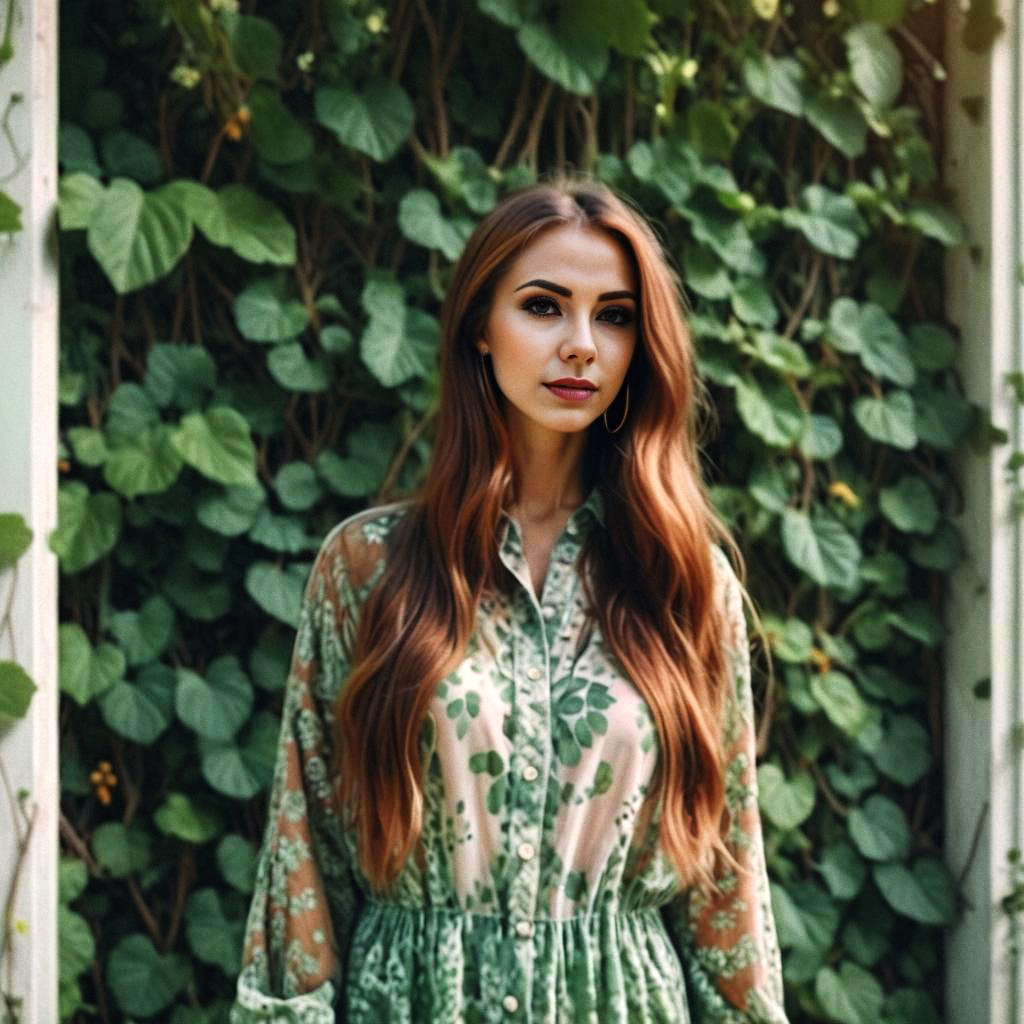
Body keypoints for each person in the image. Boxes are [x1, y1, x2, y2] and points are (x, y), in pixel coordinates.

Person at [229, 176, 789, 1023]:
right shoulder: (367, 568)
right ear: (480, 332)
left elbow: (727, 885)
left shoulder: (684, 582)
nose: (580, 345)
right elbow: (302, 860)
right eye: (542, 307)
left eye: (614, 315)